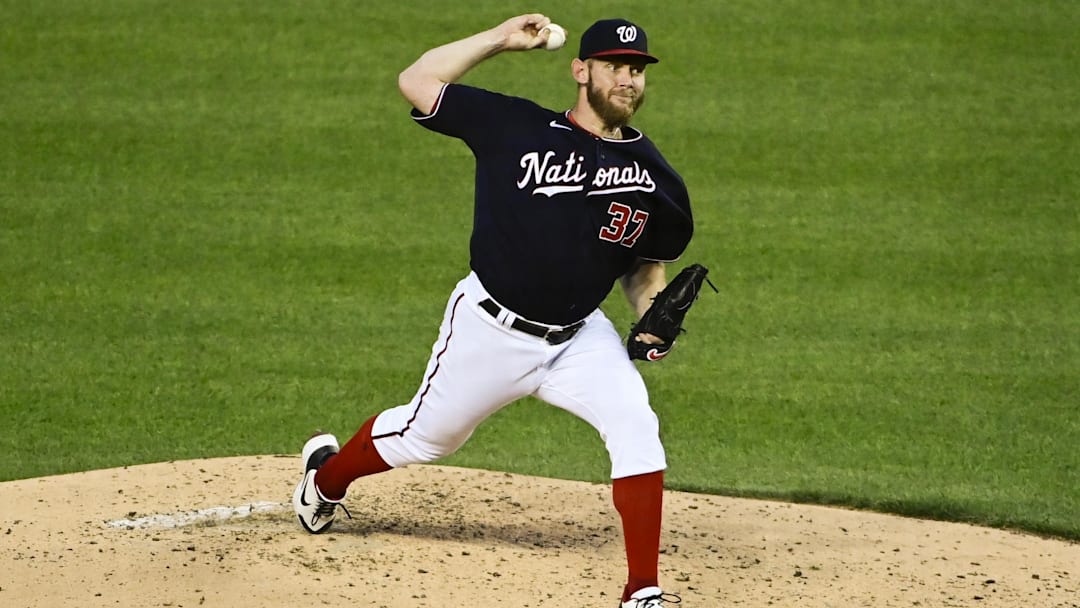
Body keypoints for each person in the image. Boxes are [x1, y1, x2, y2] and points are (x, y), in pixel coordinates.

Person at [292, 14, 693, 608]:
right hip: (489, 328)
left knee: (637, 426)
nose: (628, 79)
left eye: (636, 69)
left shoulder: (653, 175)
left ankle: (643, 591)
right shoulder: (516, 126)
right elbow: (417, 79)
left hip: (580, 337)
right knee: (424, 439)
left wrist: (653, 313)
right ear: (582, 71)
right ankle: (324, 479)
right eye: (613, 66)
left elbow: (645, 268)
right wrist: (500, 40)